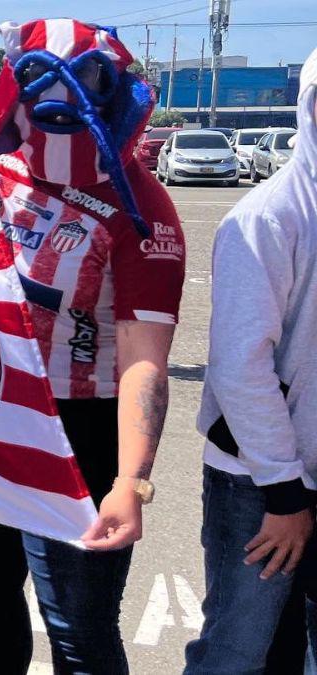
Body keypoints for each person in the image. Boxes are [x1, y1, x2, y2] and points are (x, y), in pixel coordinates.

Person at [0, 19, 183, 673]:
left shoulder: (142, 208)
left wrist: (131, 480)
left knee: (79, 627)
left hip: (81, 427)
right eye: (40, 91)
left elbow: (145, 358)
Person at [183, 46, 317, 674]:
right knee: (239, 649)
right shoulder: (268, 217)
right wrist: (286, 497)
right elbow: (240, 368)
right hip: (260, 481)